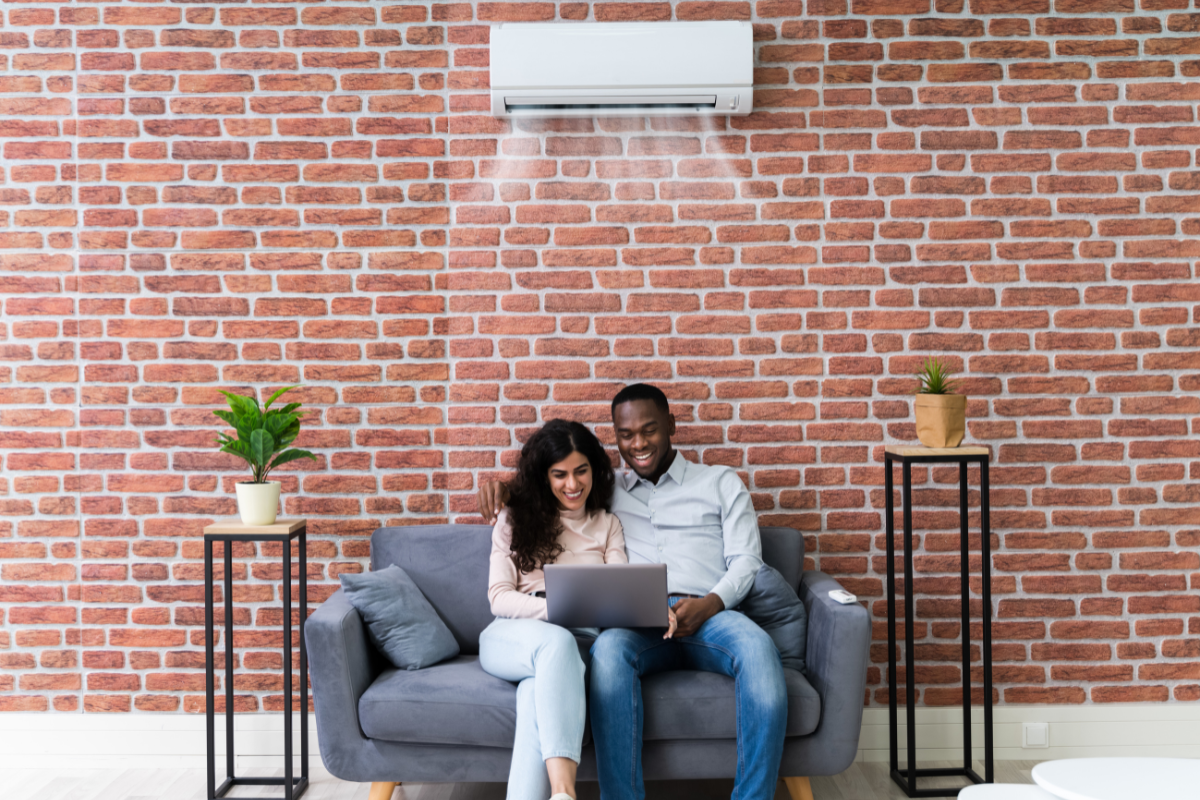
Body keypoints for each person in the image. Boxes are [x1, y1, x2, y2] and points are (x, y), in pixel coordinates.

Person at [478, 384, 788, 800]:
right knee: (607, 654)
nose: (638, 443)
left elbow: (747, 561)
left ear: (671, 426)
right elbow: (556, 486)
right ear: (616, 438)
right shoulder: (610, 489)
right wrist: (507, 489)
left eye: (649, 430)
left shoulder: (720, 482)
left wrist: (710, 604)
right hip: (638, 618)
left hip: (713, 611)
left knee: (758, 649)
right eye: (626, 435)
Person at [479, 418, 677, 800]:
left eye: (581, 471)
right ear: (543, 477)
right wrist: (561, 610)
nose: (573, 485)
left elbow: (619, 594)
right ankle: (564, 792)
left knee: (535, 694)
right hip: (512, 637)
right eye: (560, 475)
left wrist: (652, 609)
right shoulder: (512, 518)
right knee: (555, 642)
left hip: (576, 647)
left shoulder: (607, 525)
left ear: (595, 470)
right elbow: (498, 597)